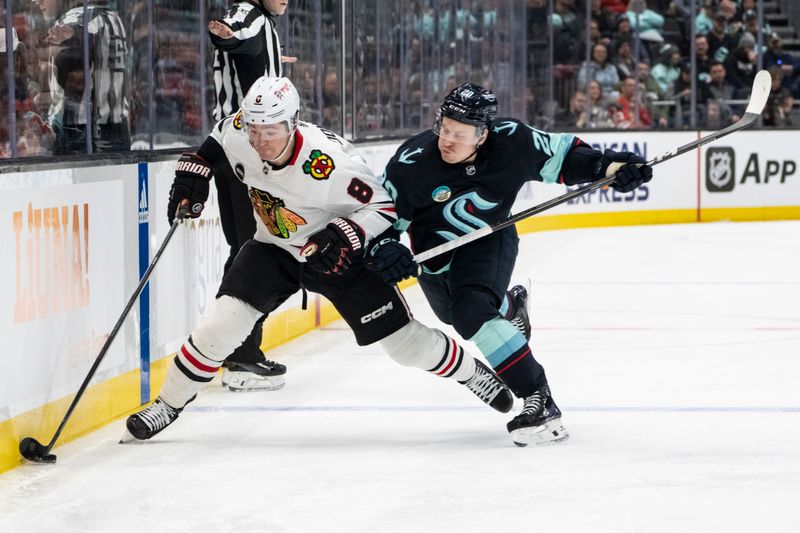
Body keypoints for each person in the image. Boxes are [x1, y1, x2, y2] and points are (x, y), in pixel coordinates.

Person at [123, 77, 515, 442]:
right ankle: (167, 405)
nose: (259, 140)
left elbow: (384, 209)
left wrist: (344, 234)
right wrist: (197, 168)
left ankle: (471, 374)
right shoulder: (242, 129)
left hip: (339, 257)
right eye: (254, 130)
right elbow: (217, 139)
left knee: (406, 346)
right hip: (274, 247)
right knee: (219, 327)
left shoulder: (328, 166)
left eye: (270, 131)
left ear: (293, 123)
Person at [365, 82, 652, 446]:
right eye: (444, 128)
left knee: (471, 312)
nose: (447, 140)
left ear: (483, 135)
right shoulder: (413, 163)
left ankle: (539, 399)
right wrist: (387, 247)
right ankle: (510, 307)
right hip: (434, 258)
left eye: (460, 133)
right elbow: (381, 220)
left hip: (489, 236)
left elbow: (565, 158)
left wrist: (610, 167)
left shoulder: (512, 139)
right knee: (452, 315)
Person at [207, 0, 295, 391]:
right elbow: (232, 29)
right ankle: (240, 355)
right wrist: (226, 33)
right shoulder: (251, 14)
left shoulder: (263, 25)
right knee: (254, 251)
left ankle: (234, 349)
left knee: (246, 249)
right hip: (246, 151)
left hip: (235, 150)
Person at [38, 0, 130, 154]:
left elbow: (76, 31)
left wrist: (69, 35)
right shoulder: (114, 19)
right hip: (118, 128)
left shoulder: (74, 17)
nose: (37, 2)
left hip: (81, 133)